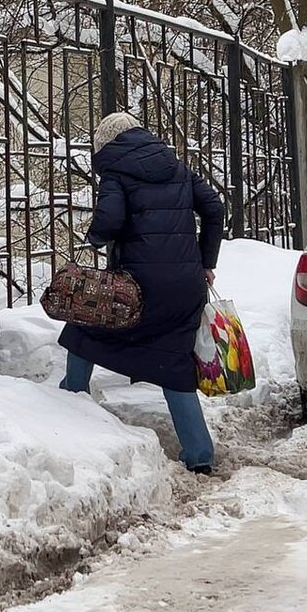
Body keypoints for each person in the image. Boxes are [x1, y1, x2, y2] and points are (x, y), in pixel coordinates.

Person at [59, 112, 225, 474]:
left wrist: (96, 237)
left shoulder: (116, 173)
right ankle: (199, 453)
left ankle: (69, 400)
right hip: (186, 288)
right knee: (173, 361)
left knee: (83, 325)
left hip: (138, 288)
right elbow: (214, 207)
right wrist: (205, 260)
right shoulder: (178, 168)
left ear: (106, 145)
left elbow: (109, 221)